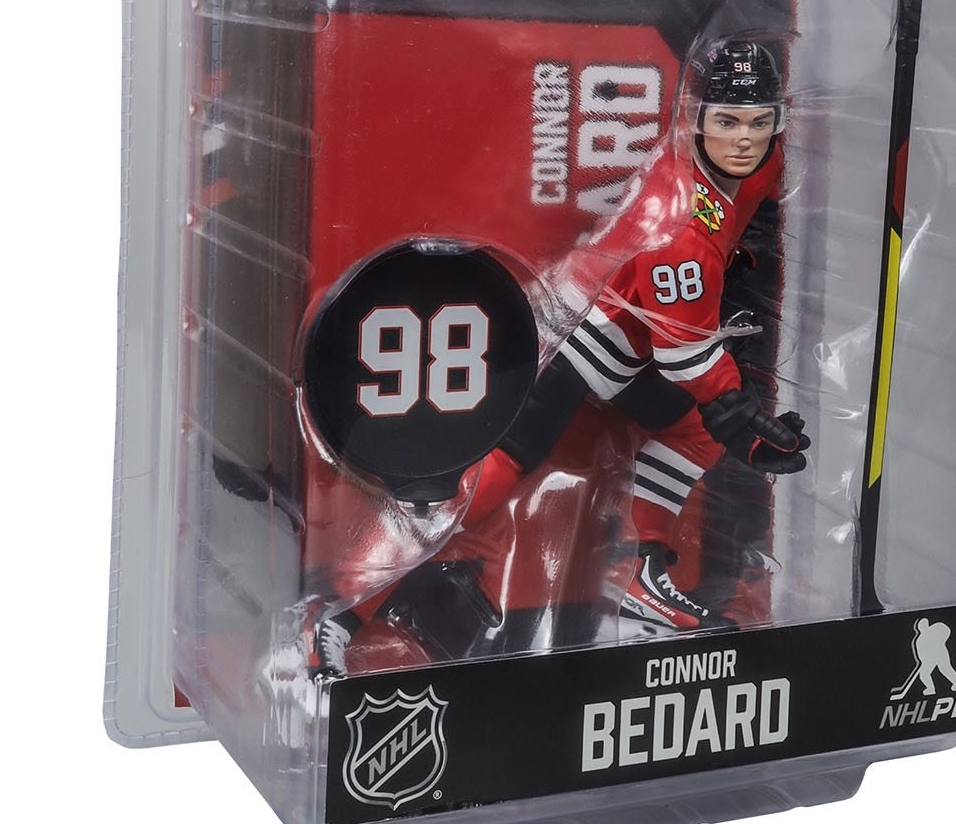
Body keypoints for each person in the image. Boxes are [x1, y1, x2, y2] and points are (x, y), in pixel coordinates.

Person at [310, 39, 809, 675]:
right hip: (576, 335)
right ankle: (341, 610)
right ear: (697, 120)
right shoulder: (682, 233)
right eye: (729, 122)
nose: (744, 139)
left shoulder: (748, 164)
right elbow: (685, 358)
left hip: (619, 333)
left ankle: (642, 572)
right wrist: (741, 415)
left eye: (760, 122)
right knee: (485, 483)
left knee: (694, 430)